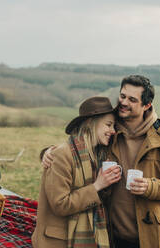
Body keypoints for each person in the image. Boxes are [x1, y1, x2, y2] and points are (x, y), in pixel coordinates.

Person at [42, 75, 160, 248]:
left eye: (132, 99)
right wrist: (48, 152)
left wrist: (150, 187)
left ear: (147, 105)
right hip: (111, 235)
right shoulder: (110, 133)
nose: (124, 102)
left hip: (154, 237)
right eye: (122, 96)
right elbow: (80, 142)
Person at [32, 96, 122, 248]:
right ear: (90, 123)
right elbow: (60, 204)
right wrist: (97, 186)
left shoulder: (99, 156)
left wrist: (107, 184)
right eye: (108, 125)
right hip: (59, 241)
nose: (113, 131)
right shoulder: (62, 154)